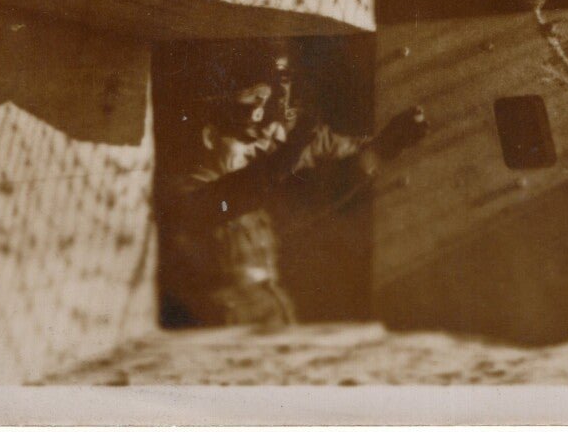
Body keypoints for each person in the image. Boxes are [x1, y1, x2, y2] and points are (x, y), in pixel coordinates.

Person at [158, 64, 429, 329]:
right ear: (210, 138)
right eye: (244, 141)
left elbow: (313, 186)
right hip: (223, 326)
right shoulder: (188, 192)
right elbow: (238, 191)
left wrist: (382, 148)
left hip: (273, 314)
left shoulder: (255, 188)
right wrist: (287, 154)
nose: (253, 151)